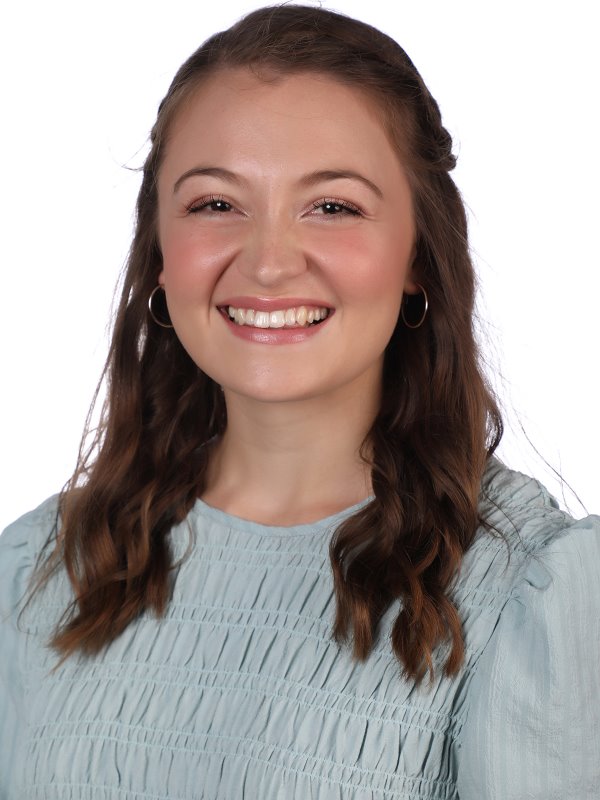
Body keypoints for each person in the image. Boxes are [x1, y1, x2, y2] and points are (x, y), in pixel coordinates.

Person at [1, 4, 598, 798]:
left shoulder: (535, 597)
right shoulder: (38, 570)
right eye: (216, 204)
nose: (269, 263)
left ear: (419, 254)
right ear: (160, 252)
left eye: (333, 207)